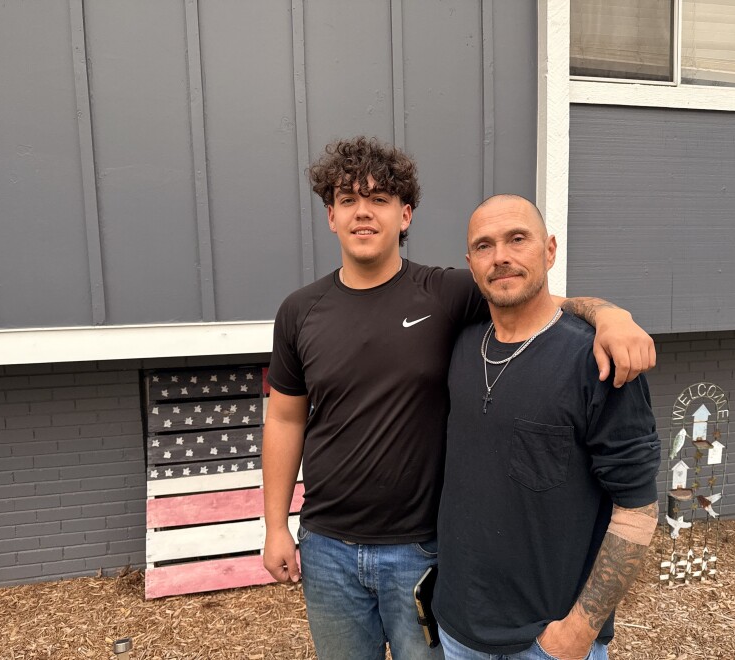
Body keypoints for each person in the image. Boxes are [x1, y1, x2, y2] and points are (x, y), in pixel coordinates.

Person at [262, 137, 656, 660]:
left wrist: (611, 315)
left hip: (419, 551)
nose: (363, 212)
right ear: (330, 215)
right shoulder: (299, 311)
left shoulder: (447, 293)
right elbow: (285, 419)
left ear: (404, 216)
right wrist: (274, 527)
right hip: (327, 545)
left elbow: (530, 294)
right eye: (348, 199)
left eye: (379, 199)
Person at [433, 194, 661, 660]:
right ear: (471, 264)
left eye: (518, 239)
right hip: (458, 628)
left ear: (550, 249)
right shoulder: (461, 344)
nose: (502, 256)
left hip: (548, 641)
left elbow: (637, 511)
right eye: (484, 245)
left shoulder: (597, 363)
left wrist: (580, 631)